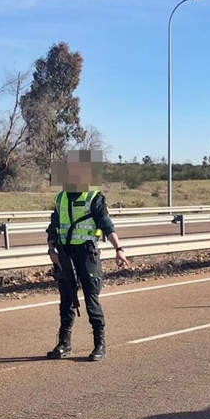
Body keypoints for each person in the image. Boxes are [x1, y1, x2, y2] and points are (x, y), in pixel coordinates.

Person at [44, 149, 130, 361]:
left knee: (91, 297)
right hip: (64, 254)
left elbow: (106, 224)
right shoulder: (61, 197)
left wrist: (119, 249)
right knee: (66, 299)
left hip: (86, 253)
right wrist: (51, 250)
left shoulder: (94, 198)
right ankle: (64, 343)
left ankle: (99, 344)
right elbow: (53, 226)